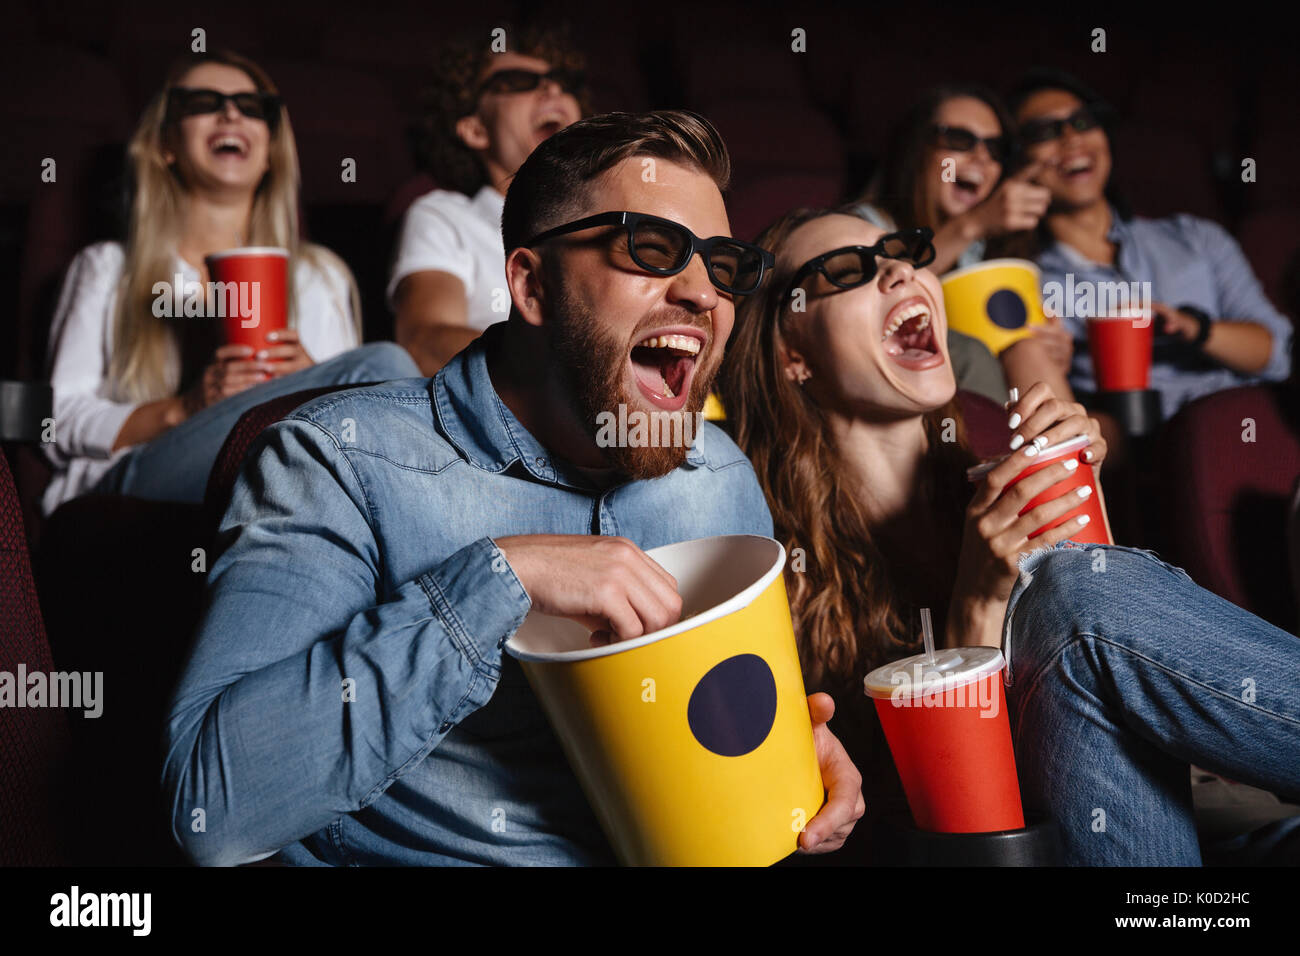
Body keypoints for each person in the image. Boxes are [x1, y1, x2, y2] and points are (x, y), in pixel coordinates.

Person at [163, 110, 864, 867]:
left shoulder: (718, 474)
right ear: (531, 286)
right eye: (653, 249)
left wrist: (798, 756)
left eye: (723, 267)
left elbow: (718, 742)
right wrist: (498, 580)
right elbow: (211, 808)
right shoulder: (339, 460)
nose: (703, 294)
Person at [717, 206, 1300, 865]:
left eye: (902, 251)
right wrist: (980, 600)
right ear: (792, 354)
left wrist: (1086, 509)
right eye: (847, 269)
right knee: (1071, 593)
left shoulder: (994, 465)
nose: (898, 271)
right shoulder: (777, 569)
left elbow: (1112, 722)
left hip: (1211, 818)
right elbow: (933, 826)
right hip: (1011, 847)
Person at [42, 51, 419, 512]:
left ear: (269, 152)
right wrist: (183, 409)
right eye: (204, 102)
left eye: (252, 106)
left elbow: (354, 437)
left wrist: (304, 380)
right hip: (136, 477)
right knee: (380, 366)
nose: (231, 113)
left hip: (285, 470)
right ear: (166, 145)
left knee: (369, 392)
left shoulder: (318, 275)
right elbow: (54, 421)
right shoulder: (107, 267)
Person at [1009, 69, 1293, 421]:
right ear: (1018, 161)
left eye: (1083, 122)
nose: (1071, 139)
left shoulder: (1195, 237)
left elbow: (1279, 354)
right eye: (1044, 132)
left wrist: (1194, 328)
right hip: (1140, 449)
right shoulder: (1025, 281)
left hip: (1244, 424)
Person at [848, 85, 1073, 404]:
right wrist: (974, 223)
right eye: (958, 140)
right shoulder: (861, 226)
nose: (981, 158)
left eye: (995, 149)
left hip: (991, 400)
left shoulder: (980, 249)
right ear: (917, 151)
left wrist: (1052, 353)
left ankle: (1071, 451)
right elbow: (872, 301)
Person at [389, 27, 586, 374]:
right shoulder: (445, 216)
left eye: (560, 81)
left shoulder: (616, 220)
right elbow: (423, 339)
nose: (551, 88)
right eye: (515, 81)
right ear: (475, 130)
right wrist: (561, 371)